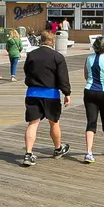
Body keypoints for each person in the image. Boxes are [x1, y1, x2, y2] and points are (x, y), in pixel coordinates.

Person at [21, 30, 72, 167]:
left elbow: (27, 71)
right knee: (54, 123)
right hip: (51, 94)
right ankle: (57, 149)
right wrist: (67, 93)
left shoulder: (31, 55)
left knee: (33, 124)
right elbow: (63, 77)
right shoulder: (58, 57)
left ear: (41, 41)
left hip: (33, 93)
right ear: (52, 41)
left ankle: (28, 153)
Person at [83, 37, 104, 164]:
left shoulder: (88, 59)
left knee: (91, 121)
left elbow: (86, 76)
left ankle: (89, 152)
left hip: (89, 91)